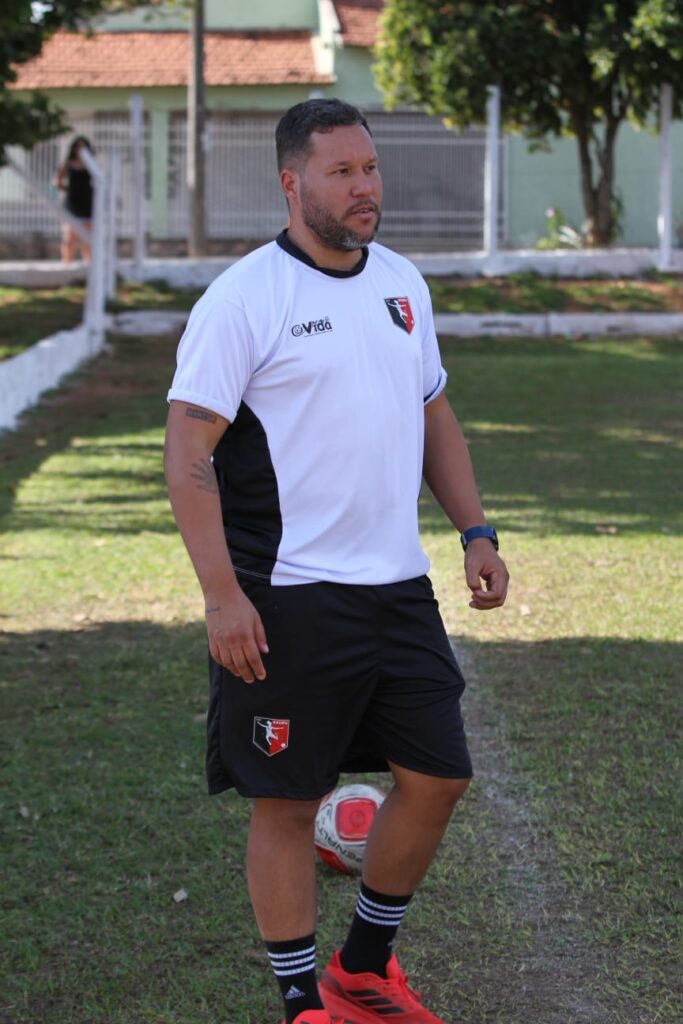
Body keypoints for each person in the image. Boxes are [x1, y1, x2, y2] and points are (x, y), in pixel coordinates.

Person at [164, 98, 509, 1024]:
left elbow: (432, 411)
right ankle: (299, 1003)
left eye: (371, 168)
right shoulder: (245, 298)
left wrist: (474, 531)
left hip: (396, 586)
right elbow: (188, 453)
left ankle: (360, 969)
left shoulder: (400, 281)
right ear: (292, 183)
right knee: (286, 800)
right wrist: (221, 596)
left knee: (437, 777)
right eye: (342, 172)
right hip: (287, 595)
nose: (366, 188)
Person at [55, 136, 94, 262]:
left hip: (88, 204)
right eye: (78, 146)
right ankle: (66, 263)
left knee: (88, 237)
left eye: (83, 146)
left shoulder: (92, 165)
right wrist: (70, 190)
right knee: (70, 236)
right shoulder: (68, 164)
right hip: (72, 203)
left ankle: (89, 264)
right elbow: (57, 183)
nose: (80, 149)